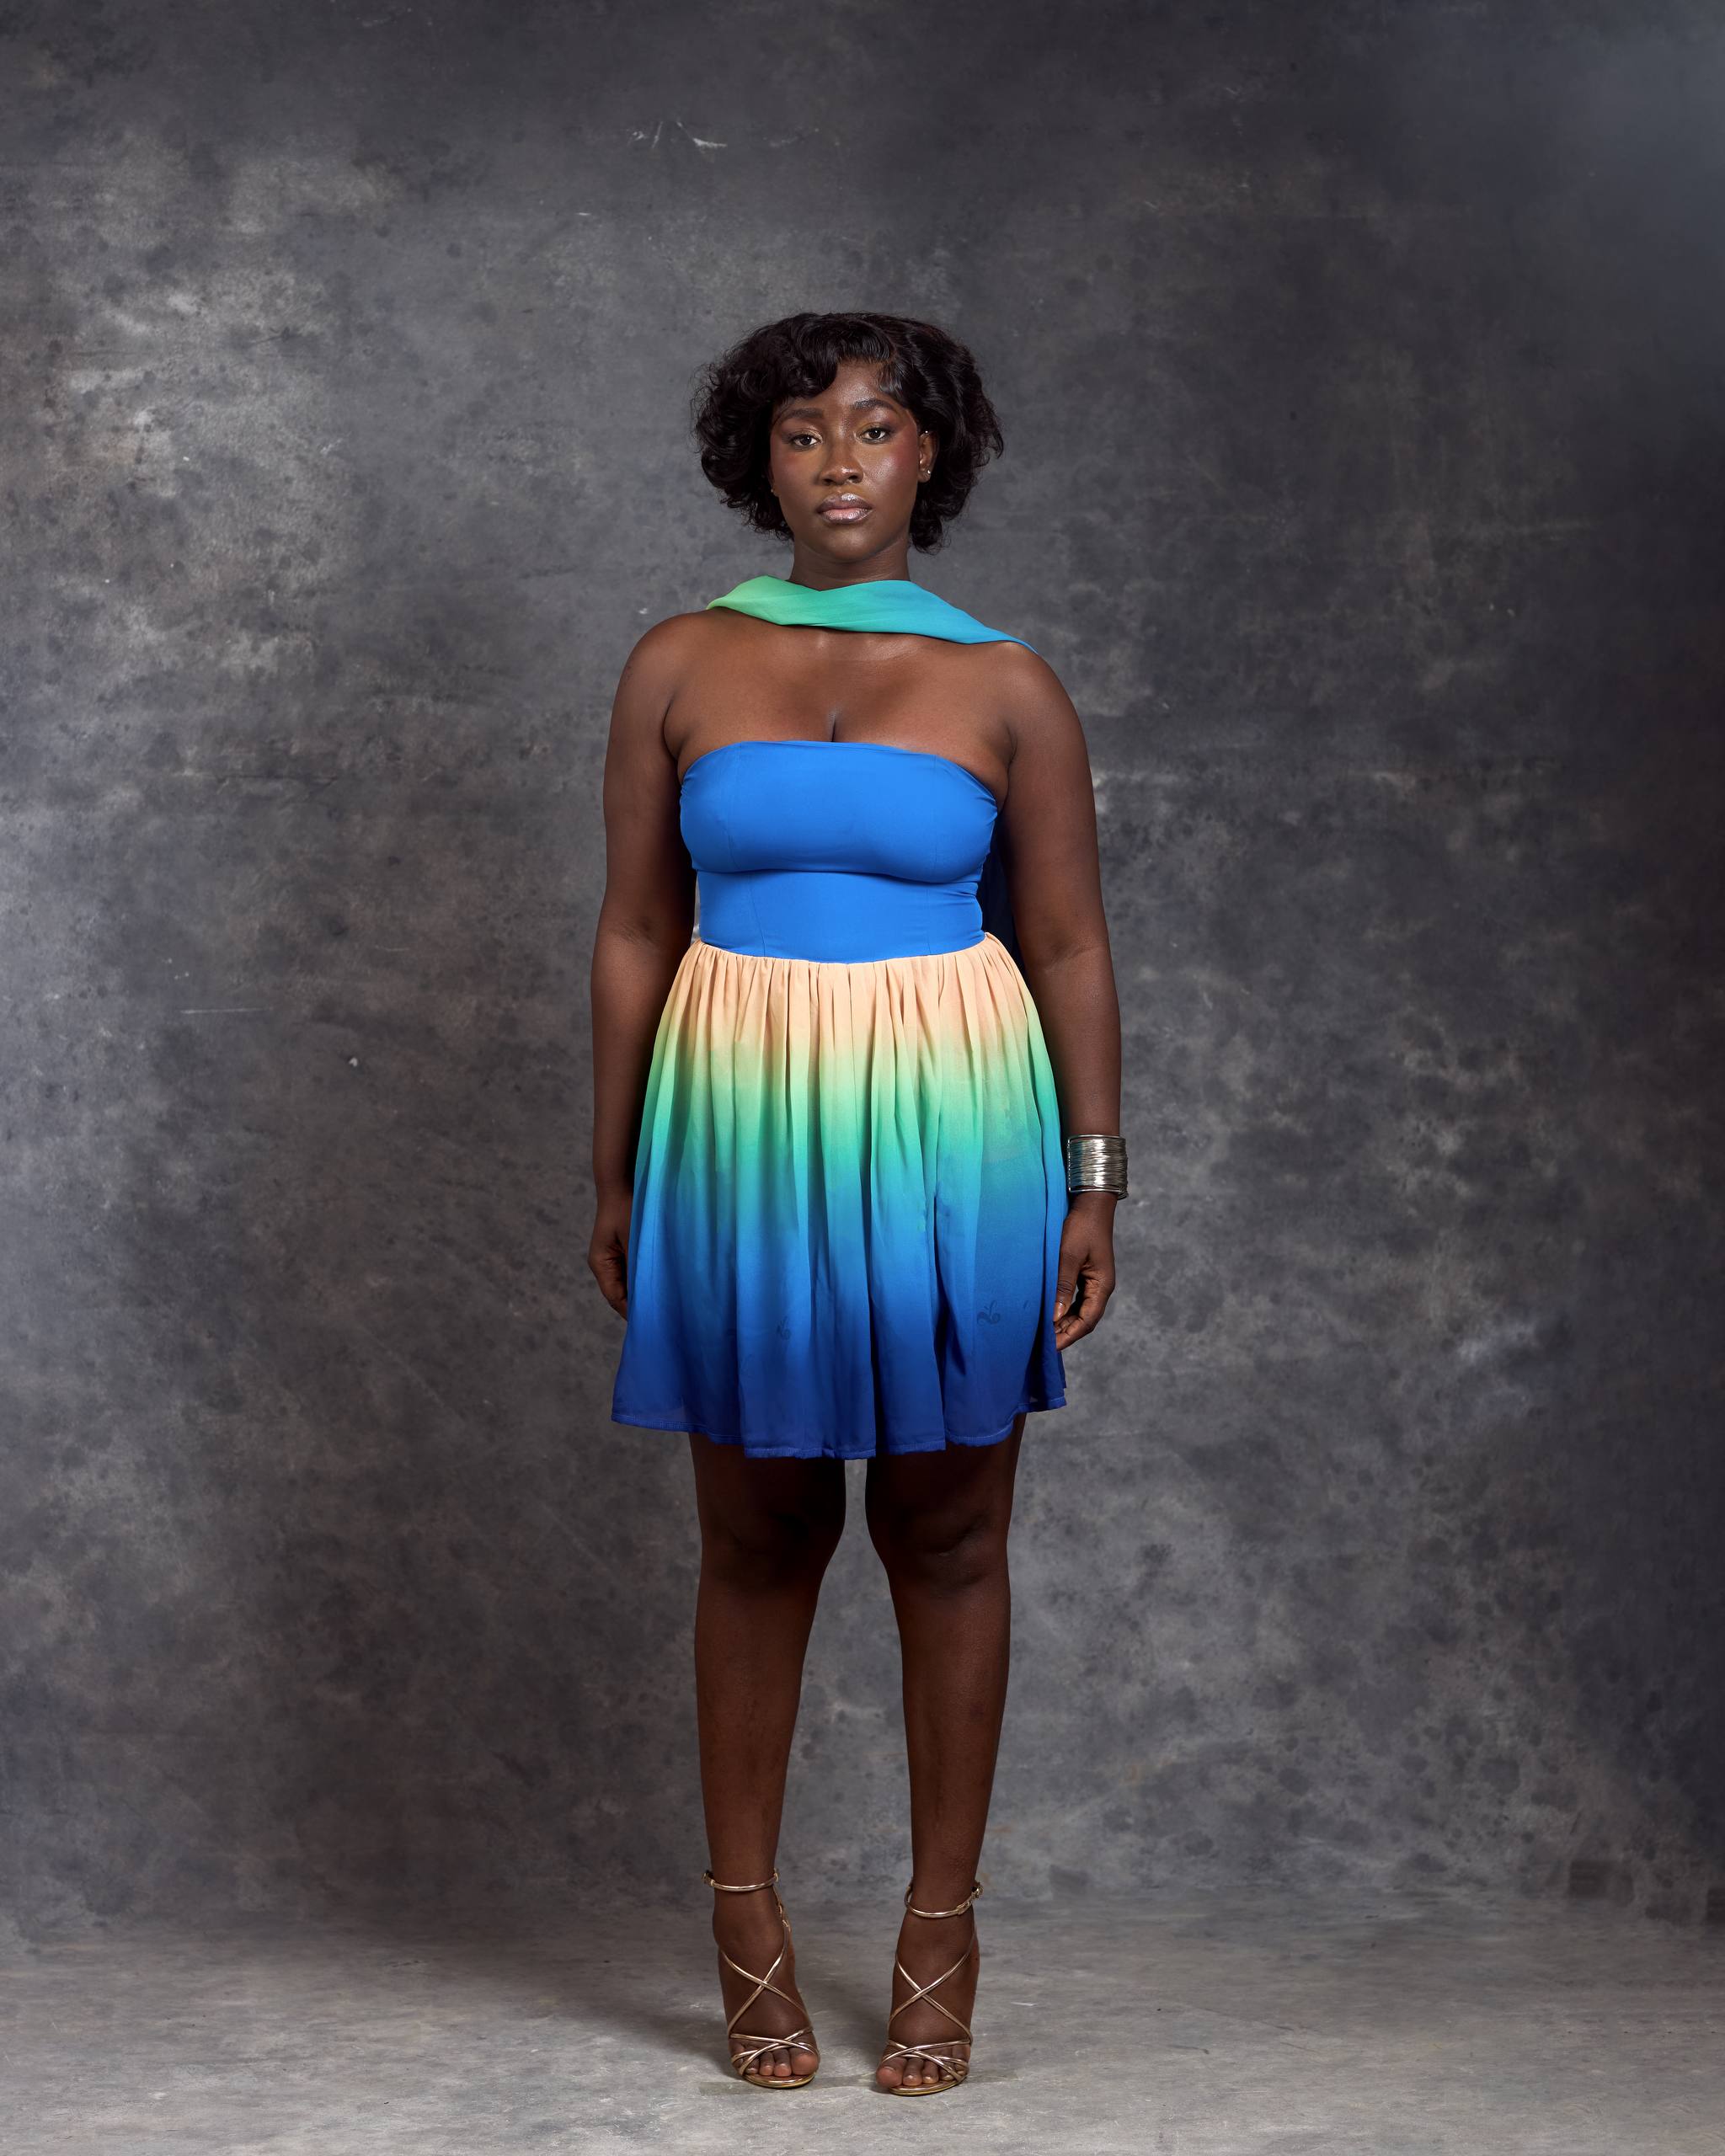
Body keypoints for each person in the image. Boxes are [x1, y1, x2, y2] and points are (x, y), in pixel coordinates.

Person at [587, 310, 1124, 2096]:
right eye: (804, 429)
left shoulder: (1010, 687)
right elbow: (635, 929)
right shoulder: (679, 660)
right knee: (754, 1535)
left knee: (949, 1534)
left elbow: (1068, 946)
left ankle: (939, 1929)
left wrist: (1094, 1179)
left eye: (876, 427)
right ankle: (744, 1925)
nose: (839, 459)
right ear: (759, 459)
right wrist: (616, 1164)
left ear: (930, 457)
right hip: (738, 1124)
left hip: (957, 1122)